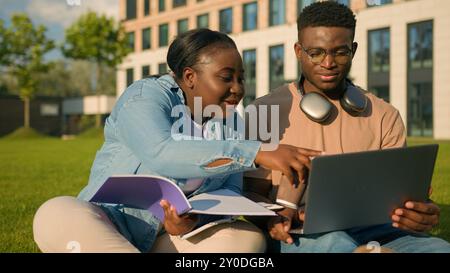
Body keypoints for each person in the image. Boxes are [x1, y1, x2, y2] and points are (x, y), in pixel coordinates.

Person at [32, 29, 320, 253]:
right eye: (226, 77)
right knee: (55, 213)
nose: (237, 89)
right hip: (107, 222)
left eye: (241, 78)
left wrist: (189, 223)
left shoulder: (231, 121)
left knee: (245, 241)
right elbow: (162, 151)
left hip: (166, 240)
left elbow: (228, 194)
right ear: (190, 76)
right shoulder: (145, 97)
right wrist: (255, 151)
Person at [243, 1, 450, 253]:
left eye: (340, 52)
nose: (328, 63)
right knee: (334, 243)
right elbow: (249, 194)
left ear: (353, 50)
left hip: (379, 230)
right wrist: (273, 219)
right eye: (316, 53)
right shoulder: (263, 110)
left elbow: (400, 194)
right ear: (298, 51)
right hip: (302, 232)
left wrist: (419, 212)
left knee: (438, 247)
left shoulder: (385, 115)